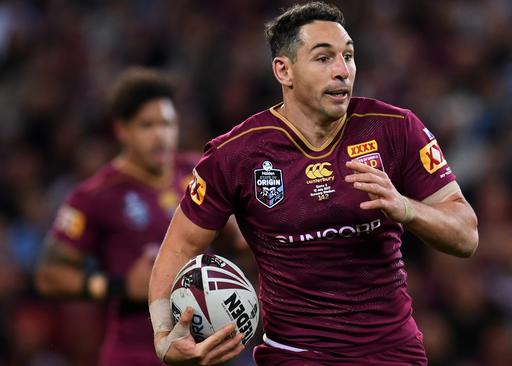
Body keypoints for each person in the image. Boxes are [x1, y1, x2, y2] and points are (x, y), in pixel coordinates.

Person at [148, 2, 479, 365]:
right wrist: (164, 337)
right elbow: (179, 248)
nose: (342, 71)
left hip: (392, 352)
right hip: (294, 355)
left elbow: (466, 235)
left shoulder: (396, 129)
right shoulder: (235, 154)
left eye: (348, 56)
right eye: (324, 58)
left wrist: (406, 208)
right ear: (284, 70)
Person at [35, 67, 242, 366]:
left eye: (168, 124)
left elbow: (236, 245)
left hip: (205, 350)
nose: (161, 136)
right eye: (148, 126)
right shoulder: (96, 194)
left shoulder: (197, 172)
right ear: (122, 130)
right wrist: (116, 285)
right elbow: (48, 277)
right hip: (135, 353)